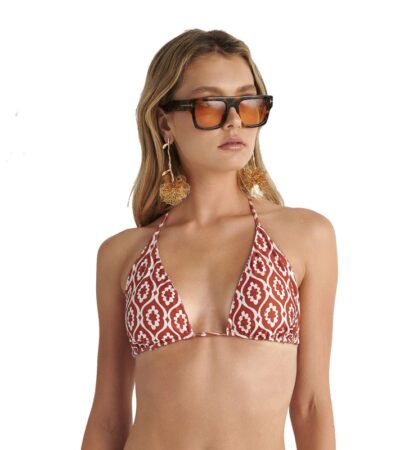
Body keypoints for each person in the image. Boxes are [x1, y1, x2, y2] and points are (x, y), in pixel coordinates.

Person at [81, 28, 337, 450]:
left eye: (247, 103)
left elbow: (311, 406)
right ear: (165, 122)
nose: (234, 121)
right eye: (210, 105)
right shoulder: (122, 254)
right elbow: (108, 419)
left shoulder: (307, 236)